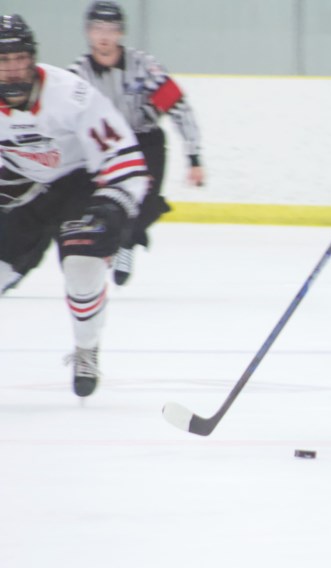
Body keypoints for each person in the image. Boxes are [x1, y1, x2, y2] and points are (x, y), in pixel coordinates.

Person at [0, 14, 148, 397]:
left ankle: (86, 348)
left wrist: (115, 205)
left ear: (33, 58)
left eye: (20, 59)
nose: (14, 69)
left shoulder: (70, 94)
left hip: (83, 183)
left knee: (83, 268)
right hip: (24, 188)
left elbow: (125, 158)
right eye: (3, 60)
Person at [69, 1, 203, 285]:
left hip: (145, 142)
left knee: (146, 203)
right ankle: (111, 244)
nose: (104, 36)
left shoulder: (145, 68)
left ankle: (127, 244)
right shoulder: (77, 75)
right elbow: (60, 120)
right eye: (97, 28)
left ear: (121, 33)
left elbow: (178, 106)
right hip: (104, 147)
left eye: (111, 29)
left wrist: (194, 156)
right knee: (101, 204)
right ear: (87, 32)